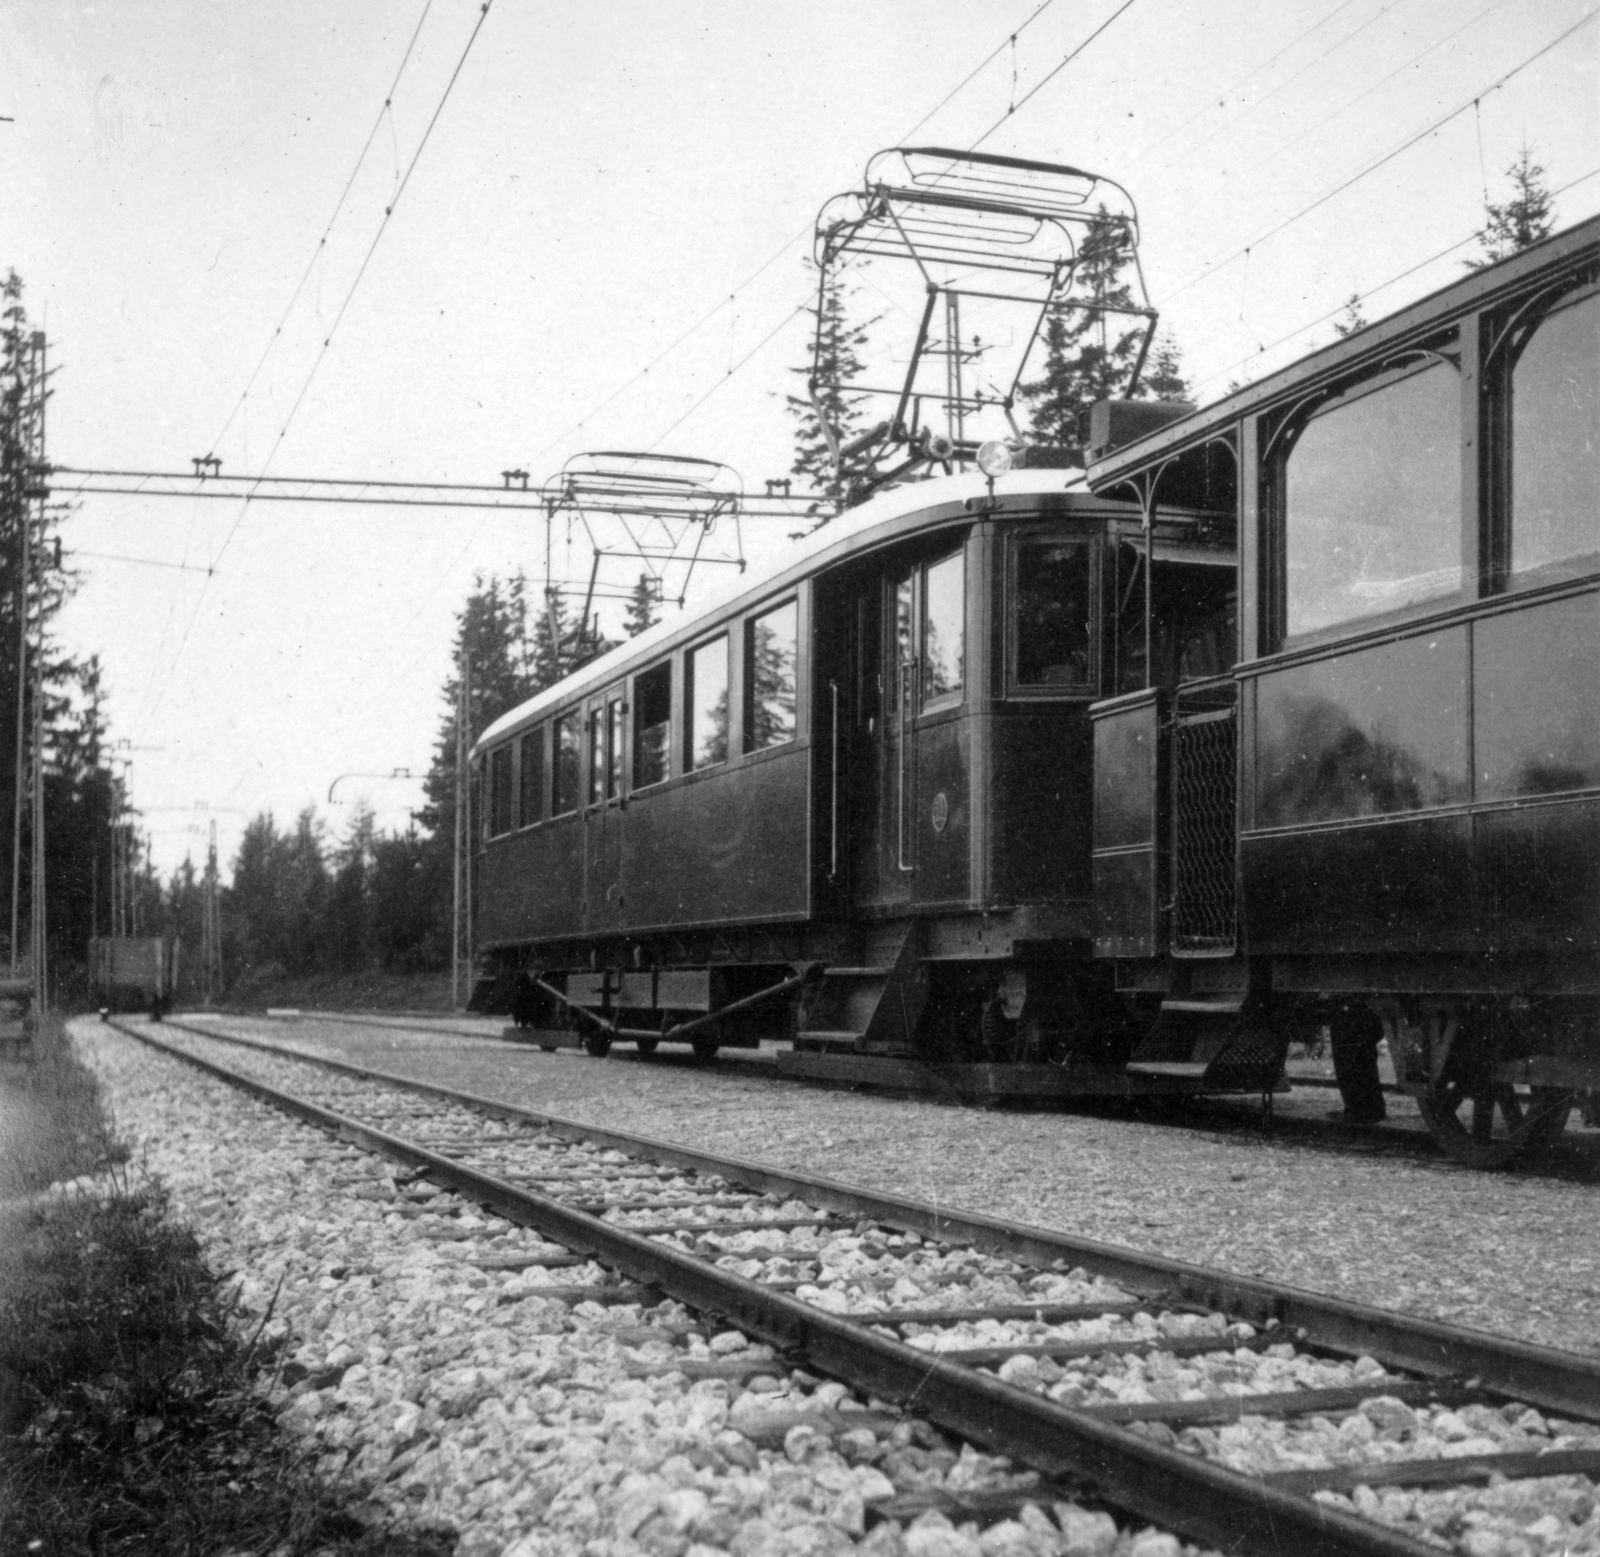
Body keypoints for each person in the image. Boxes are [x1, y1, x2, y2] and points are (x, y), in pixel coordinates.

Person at [1328, 1003, 1386, 1122]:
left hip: (1347, 1002)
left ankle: (1358, 1110)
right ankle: (1372, 1109)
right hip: (1363, 1004)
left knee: (1347, 1053)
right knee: (1365, 1057)